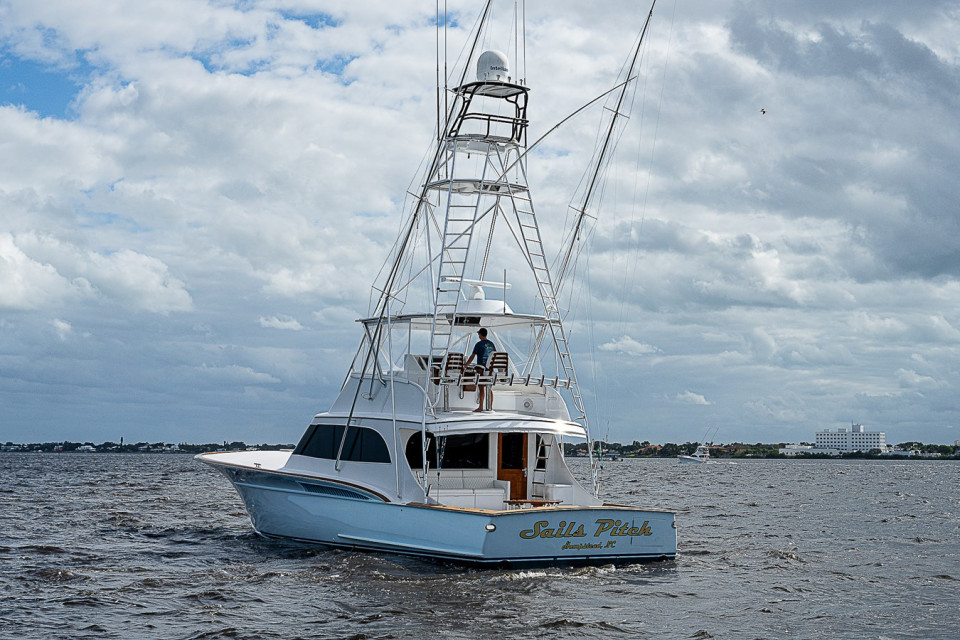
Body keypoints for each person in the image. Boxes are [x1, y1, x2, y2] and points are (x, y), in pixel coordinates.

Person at [463, 327, 496, 412]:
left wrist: (466, 365)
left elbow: (472, 356)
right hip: (490, 370)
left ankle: (481, 407)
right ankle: (490, 407)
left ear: (480, 335)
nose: (478, 335)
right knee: (489, 387)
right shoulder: (491, 344)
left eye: (479, 334)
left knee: (481, 387)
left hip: (482, 369)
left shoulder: (478, 344)